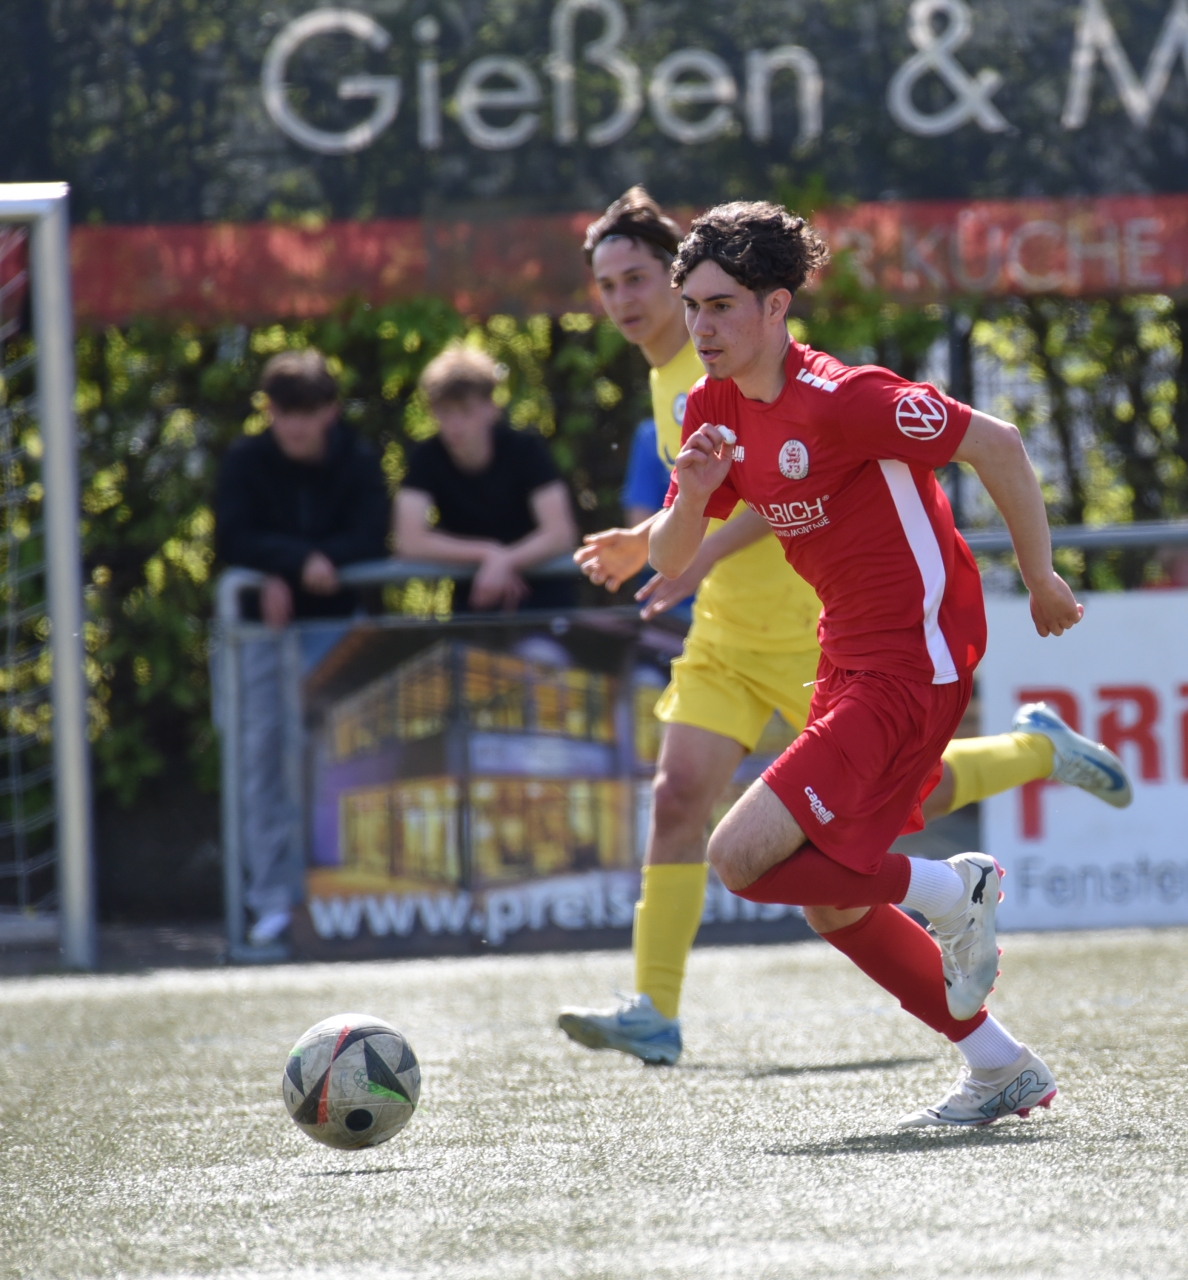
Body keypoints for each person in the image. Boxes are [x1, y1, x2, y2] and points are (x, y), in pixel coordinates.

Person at [558, 189, 1131, 1076]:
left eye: (721, 306)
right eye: (693, 306)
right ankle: (1000, 1065)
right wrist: (694, 497)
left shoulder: (845, 397)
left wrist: (1041, 577)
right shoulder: (709, 406)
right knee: (829, 900)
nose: (701, 327)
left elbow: (1000, 443)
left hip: (915, 657)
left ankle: (954, 887)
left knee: (739, 856)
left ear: (776, 306)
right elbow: (670, 553)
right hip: (842, 658)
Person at [213, 350, 388, 946]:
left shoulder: (357, 460)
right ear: (268, 410)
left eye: (306, 411)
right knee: (262, 762)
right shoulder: (246, 460)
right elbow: (232, 535)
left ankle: (337, 899)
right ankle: (271, 901)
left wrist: (316, 563)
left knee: (340, 765)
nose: (294, 424)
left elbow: (371, 534)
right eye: (283, 411)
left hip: (336, 640)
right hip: (262, 639)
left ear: (330, 411)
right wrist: (285, 568)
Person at [393, 346, 579, 611]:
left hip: (545, 607)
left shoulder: (526, 450)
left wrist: (506, 561)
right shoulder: (425, 458)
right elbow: (409, 541)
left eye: (466, 411)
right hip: (472, 610)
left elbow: (560, 533)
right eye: (445, 412)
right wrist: (488, 553)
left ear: (491, 408)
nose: (455, 425)